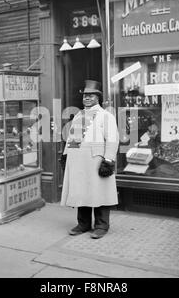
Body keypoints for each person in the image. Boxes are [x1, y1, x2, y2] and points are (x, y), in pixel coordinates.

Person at [59, 80, 119, 239]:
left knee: (99, 193)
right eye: (85, 95)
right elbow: (74, 138)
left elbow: (112, 139)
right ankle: (83, 224)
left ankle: (101, 225)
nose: (86, 98)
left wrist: (109, 160)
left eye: (90, 95)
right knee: (81, 192)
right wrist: (66, 155)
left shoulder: (106, 116)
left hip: (96, 161)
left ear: (97, 98)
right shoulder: (79, 115)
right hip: (79, 161)